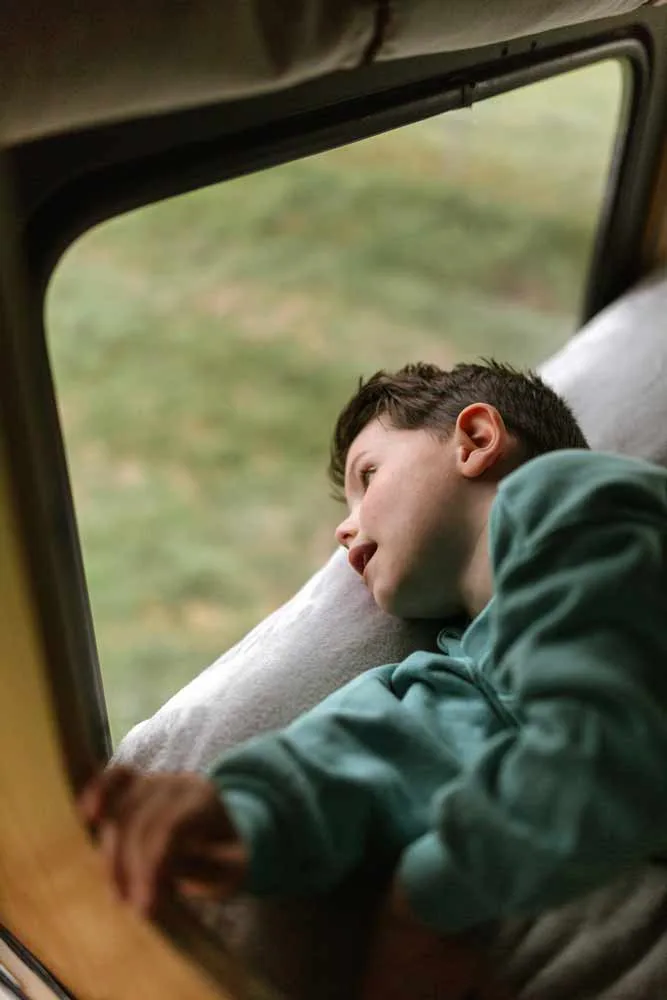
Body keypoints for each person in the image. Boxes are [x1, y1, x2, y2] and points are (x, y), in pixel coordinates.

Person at [80, 360, 667, 941]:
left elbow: (606, 749)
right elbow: (382, 752)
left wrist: (425, 898)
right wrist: (239, 809)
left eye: (368, 475)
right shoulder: (475, 670)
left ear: (475, 440)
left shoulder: (571, 498)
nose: (344, 531)